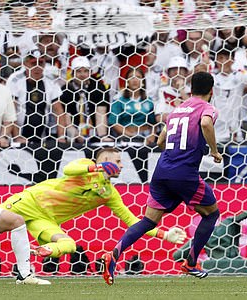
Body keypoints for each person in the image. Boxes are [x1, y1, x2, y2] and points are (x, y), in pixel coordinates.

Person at [102, 72, 222, 285]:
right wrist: (213, 150)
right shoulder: (207, 108)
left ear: (191, 88)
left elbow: (160, 141)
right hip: (184, 174)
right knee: (211, 214)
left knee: (149, 221)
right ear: (211, 91)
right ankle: (191, 263)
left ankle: (114, 254)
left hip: (162, 171)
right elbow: (205, 124)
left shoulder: (177, 110)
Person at [0, 148, 186, 258]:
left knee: (68, 245)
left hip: (44, 218)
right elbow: (69, 169)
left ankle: (44, 250)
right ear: (105, 160)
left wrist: (164, 234)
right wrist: (97, 167)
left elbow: (131, 220)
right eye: (118, 161)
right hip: (29, 201)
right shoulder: (86, 166)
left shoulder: (109, 193)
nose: (121, 165)